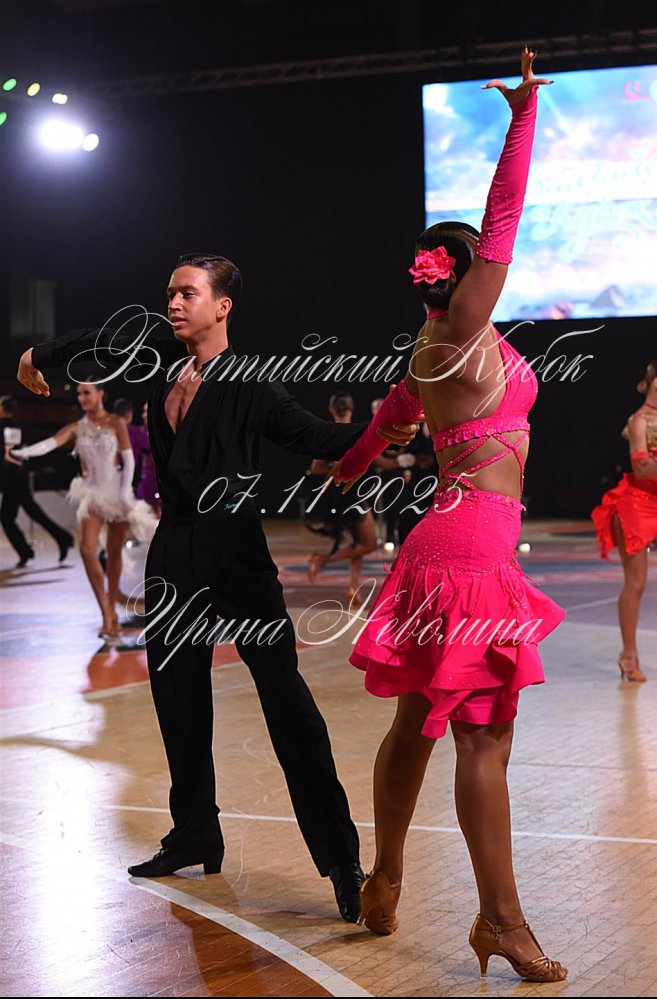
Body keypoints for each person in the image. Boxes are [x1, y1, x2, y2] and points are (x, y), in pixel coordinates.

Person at [16, 253, 418, 922]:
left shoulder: (250, 383)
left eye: (188, 293)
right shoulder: (158, 361)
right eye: (170, 292)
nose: (174, 303)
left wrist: (379, 432)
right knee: (177, 697)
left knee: (288, 706)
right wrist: (40, 354)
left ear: (223, 305)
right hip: (174, 549)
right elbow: (101, 340)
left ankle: (342, 860)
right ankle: (195, 832)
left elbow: (312, 434)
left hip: (236, 551)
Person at [330, 49, 568, 982]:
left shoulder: (434, 350)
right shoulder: (462, 330)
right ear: (466, 276)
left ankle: (385, 876)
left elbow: (381, 427)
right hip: (468, 547)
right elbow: (505, 221)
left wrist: (346, 467)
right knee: (482, 733)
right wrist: (523, 117)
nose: (493, 275)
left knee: (417, 724)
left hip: (448, 540)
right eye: (480, 267)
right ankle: (501, 920)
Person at [12, 381, 156, 638]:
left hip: (115, 493)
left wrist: (125, 494)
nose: (82, 398)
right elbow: (51, 443)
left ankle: (112, 611)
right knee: (87, 550)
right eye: (79, 394)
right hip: (90, 494)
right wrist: (23, 452)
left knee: (114, 552)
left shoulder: (116, 422)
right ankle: (106, 613)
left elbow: (129, 460)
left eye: (87, 392)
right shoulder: (77, 427)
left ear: (101, 394)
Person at [591, 357, 657, 681]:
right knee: (636, 582)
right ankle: (628, 655)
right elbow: (642, 469)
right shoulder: (639, 421)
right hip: (636, 506)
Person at [308, 392, 378, 606]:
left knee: (358, 542)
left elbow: (316, 468)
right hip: (353, 493)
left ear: (331, 410)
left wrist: (333, 468)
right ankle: (323, 559)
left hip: (336, 494)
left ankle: (353, 588)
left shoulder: (326, 432)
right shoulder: (356, 431)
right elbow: (371, 458)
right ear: (352, 408)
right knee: (370, 543)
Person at [0, 394, 73, 568]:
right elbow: (41, 439)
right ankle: (61, 538)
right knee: (31, 512)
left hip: (10, 478)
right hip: (20, 475)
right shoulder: (20, 427)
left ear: (2, 408)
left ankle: (28, 551)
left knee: (8, 517)